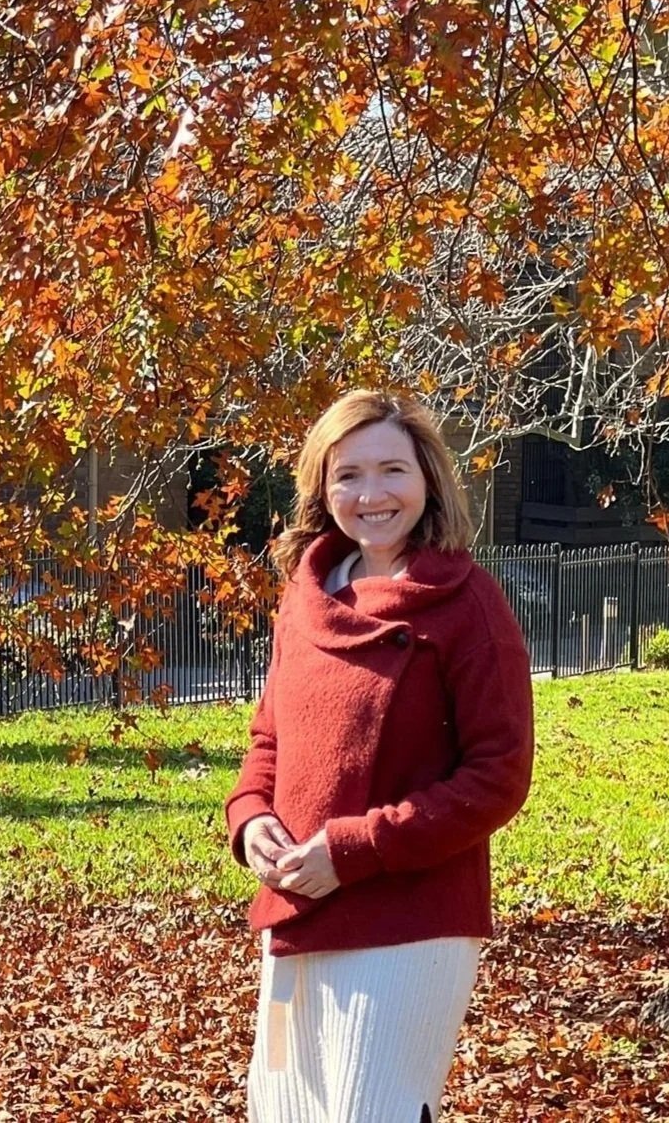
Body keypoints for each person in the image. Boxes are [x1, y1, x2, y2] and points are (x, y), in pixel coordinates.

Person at [225, 390, 534, 1123]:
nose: (371, 494)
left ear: (428, 477)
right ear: (321, 488)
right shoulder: (304, 599)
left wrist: (355, 848)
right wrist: (249, 818)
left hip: (410, 921)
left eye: (392, 469)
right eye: (348, 475)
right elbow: (269, 739)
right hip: (297, 910)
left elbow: (498, 777)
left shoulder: (469, 604)